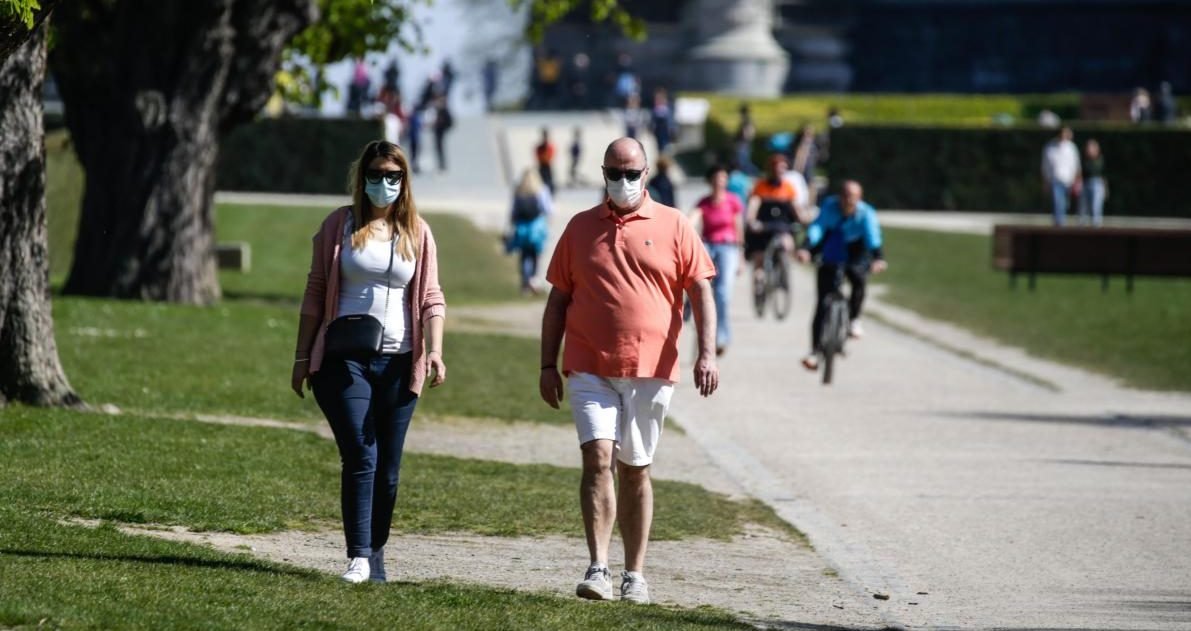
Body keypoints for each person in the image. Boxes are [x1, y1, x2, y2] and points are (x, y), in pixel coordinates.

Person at [540, 138, 719, 605]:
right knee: (598, 460)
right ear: (603, 173)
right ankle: (597, 566)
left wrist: (707, 354)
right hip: (587, 366)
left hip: (651, 368)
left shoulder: (675, 224)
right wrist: (546, 364)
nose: (623, 182)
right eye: (614, 174)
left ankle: (634, 573)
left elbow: (701, 291)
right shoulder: (580, 228)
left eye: (632, 174)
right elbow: (558, 300)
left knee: (635, 469)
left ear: (646, 174)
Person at [292, 140, 447, 584]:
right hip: (345, 358)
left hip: (399, 360)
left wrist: (434, 351)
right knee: (362, 454)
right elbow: (316, 291)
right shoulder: (339, 226)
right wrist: (303, 356)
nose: (384, 184)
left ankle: (377, 551)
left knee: (389, 470)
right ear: (362, 179)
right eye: (376, 175)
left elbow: (432, 297)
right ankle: (358, 555)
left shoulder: (418, 232)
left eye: (393, 176)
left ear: (404, 181)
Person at [795, 180, 886, 370]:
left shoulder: (866, 213)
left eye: (852, 196)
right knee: (822, 303)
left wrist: (878, 258)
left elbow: (873, 236)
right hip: (832, 249)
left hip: (856, 251)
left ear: (859, 198)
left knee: (859, 279)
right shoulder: (829, 207)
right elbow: (817, 228)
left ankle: (854, 320)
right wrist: (806, 249)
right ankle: (814, 351)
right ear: (839, 196)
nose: (848, 200)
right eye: (845, 195)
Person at [689, 164, 744, 356]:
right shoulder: (703, 202)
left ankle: (721, 336)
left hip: (729, 247)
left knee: (722, 294)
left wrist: (741, 256)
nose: (720, 182)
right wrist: (683, 226)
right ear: (710, 181)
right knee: (697, 282)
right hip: (709, 245)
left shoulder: (733, 201)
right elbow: (692, 219)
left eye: (723, 178)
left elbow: (738, 226)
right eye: (716, 178)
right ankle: (691, 303)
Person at [745, 154, 801, 291]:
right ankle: (759, 282)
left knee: (787, 243)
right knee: (759, 257)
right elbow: (754, 205)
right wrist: (751, 220)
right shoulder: (761, 186)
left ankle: (783, 269)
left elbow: (796, 208)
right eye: (776, 168)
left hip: (781, 226)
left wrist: (803, 218)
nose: (779, 172)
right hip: (763, 226)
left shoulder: (788, 187)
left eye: (782, 168)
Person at [506, 169, 553, 294]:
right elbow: (547, 209)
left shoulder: (519, 191)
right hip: (536, 228)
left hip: (522, 228)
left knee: (524, 255)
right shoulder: (541, 190)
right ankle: (533, 279)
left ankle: (525, 281)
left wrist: (512, 224)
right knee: (535, 255)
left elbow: (514, 211)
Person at [1041, 126, 1081, 226]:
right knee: (1057, 201)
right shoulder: (1050, 147)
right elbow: (1045, 165)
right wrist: (1046, 180)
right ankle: (1059, 222)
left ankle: (1060, 219)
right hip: (1055, 178)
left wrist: (1077, 179)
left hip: (1068, 180)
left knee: (1064, 203)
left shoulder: (1071, 147)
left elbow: (1076, 164)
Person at [1079, 139, 1107, 227]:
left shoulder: (1099, 159)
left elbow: (1095, 171)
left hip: (1096, 183)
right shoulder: (1084, 159)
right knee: (1083, 207)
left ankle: (1096, 225)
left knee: (1096, 206)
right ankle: (1082, 225)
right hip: (1085, 183)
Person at [650, 88, 677, 155]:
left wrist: (673, 129)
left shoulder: (668, 108)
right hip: (658, 130)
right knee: (659, 146)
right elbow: (653, 121)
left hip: (666, 130)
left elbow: (671, 120)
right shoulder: (655, 109)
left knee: (666, 146)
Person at [734, 103, 758, 175]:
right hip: (744, 144)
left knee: (743, 161)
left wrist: (741, 138)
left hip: (744, 144)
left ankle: (754, 173)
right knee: (743, 160)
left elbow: (747, 133)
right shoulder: (746, 120)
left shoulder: (746, 121)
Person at [431, 96, 453, 173]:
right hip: (438, 132)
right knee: (438, 149)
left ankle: (442, 164)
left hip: (441, 132)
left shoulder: (444, 111)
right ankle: (441, 164)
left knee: (441, 149)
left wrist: (442, 124)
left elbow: (449, 122)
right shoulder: (437, 110)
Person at [535, 127, 556, 195]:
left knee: (549, 181)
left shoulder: (549, 146)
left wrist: (546, 158)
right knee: (541, 181)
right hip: (542, 165)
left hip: (547, 165)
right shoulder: (540, 147)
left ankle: (551, 194)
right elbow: (538, 155)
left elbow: (551, 155)